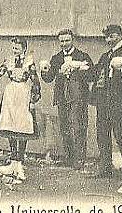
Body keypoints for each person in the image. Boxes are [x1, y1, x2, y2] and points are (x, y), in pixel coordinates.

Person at [39, 29, 94, 168]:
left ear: (72, 40)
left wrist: (79, 69)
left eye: (67, 40)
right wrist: (44, 70)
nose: (64, 43)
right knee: (65, 127)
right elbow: (49, 78)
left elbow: (92, 75)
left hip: (78, 97)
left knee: (78, 126)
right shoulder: (56, 58)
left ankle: (79, 158)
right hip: (62, 97)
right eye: (62, 41)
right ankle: (69, 158)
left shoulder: (82, 55)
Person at [89, 24, 122, 179]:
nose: (109, 39)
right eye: (107, 36)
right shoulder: (105, 56)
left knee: (120, 134)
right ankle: (105, 168)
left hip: (116, 101)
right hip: (102, 101)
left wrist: (118, 67)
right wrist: (81, 68)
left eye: (112, 36)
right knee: (102, 135)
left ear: (120, 35)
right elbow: (94, 74)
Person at [0, 37, 40, 181]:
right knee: (10, 123)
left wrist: (34, 97)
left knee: (22, 125)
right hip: (11, 93)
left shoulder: (29, 62)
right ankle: (13, 156)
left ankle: (20, 158)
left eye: (17, 48)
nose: (15, 51)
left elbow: (35, 80)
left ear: (24, 49)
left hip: (23, 93)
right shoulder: (9, 61)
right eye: (13, 48)